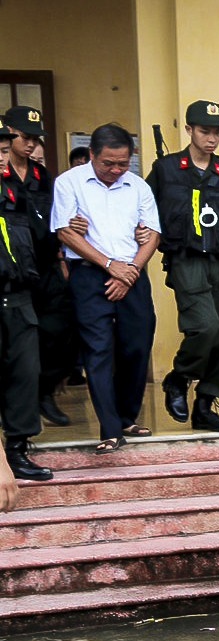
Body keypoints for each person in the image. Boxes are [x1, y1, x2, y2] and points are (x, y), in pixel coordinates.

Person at [51, 124, 160, 454]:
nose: (115, 170)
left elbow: (153, 233)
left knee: (137, 345)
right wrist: (109, 265)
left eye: (122, 164)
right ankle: (110, 429)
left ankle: (127, 418)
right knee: (97, 351)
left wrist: (130, 271)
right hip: (89, 275)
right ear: (92, 156)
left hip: (132, 273)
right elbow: (66, 233)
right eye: (108, 164)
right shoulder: (69, 183)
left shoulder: (138, 186)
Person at [149, 100, 219, 433]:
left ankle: (206, 404)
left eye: (216, 132)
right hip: (186, 258)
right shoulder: (166, 169)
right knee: (205, 327)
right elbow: (143, 207)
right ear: (189, 130)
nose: (211, 138)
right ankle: (178, 378)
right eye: (204, 131)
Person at [2, 106, 78, 429]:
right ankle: (21, 408)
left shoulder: (41, 175)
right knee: (20, 344)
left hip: (46, 265)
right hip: (15, 271)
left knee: (64, 329)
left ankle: (45, 391)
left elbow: (55, 220)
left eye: (35, 138)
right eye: (25, 137)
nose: (31, 144)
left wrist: (62, 256)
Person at [0, 119, 52, 481]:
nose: (3, 159)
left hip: (18, 295)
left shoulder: (15, 189)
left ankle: (17, 449)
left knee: (25, 370)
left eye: (4, 151)